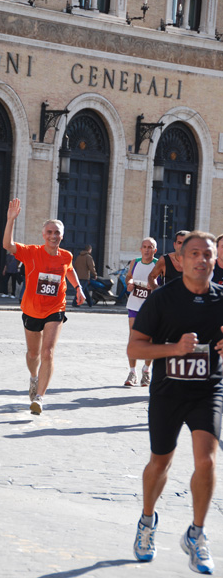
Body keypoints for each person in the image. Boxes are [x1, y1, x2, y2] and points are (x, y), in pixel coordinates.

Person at [128, 231, 223, 575]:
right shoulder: (162, 300)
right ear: (180, 260)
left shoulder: (221, 298)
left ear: (215, 260)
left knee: (207, 462)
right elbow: (134, 349)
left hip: (207, 390)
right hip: (168, 392)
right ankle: (147, 522)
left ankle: (196, 535)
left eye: (207, 255)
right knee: (160, 463)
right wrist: (174, 349)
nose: (201, 260)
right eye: (194, 254)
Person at [3, 198, 85, 415]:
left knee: (47, 352)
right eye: (49, 232)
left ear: (62, 236)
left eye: (56, 232)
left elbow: (68, 270)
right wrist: (11, 220)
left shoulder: (66, 255)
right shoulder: (31, 252)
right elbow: (8, 246)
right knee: (33, 354)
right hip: (31, 309)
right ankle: (33, 378)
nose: (53, 236)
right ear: (43, 235)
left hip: (55, 308)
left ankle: (39, 397)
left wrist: (78, 288)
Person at [124, 237, 158, 387]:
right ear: (140, 249)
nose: (146, 249)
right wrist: (129, 284)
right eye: (144, 246)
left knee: (149, 339)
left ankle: (146, 370)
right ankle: (132, 372)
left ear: (154, 250)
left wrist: (154, 287)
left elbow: (161, 284)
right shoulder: (135, 262)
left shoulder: (158, 264)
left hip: (151, 307)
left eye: (150, 247)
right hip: (134, 305)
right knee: (133, 338)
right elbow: (128, 277)